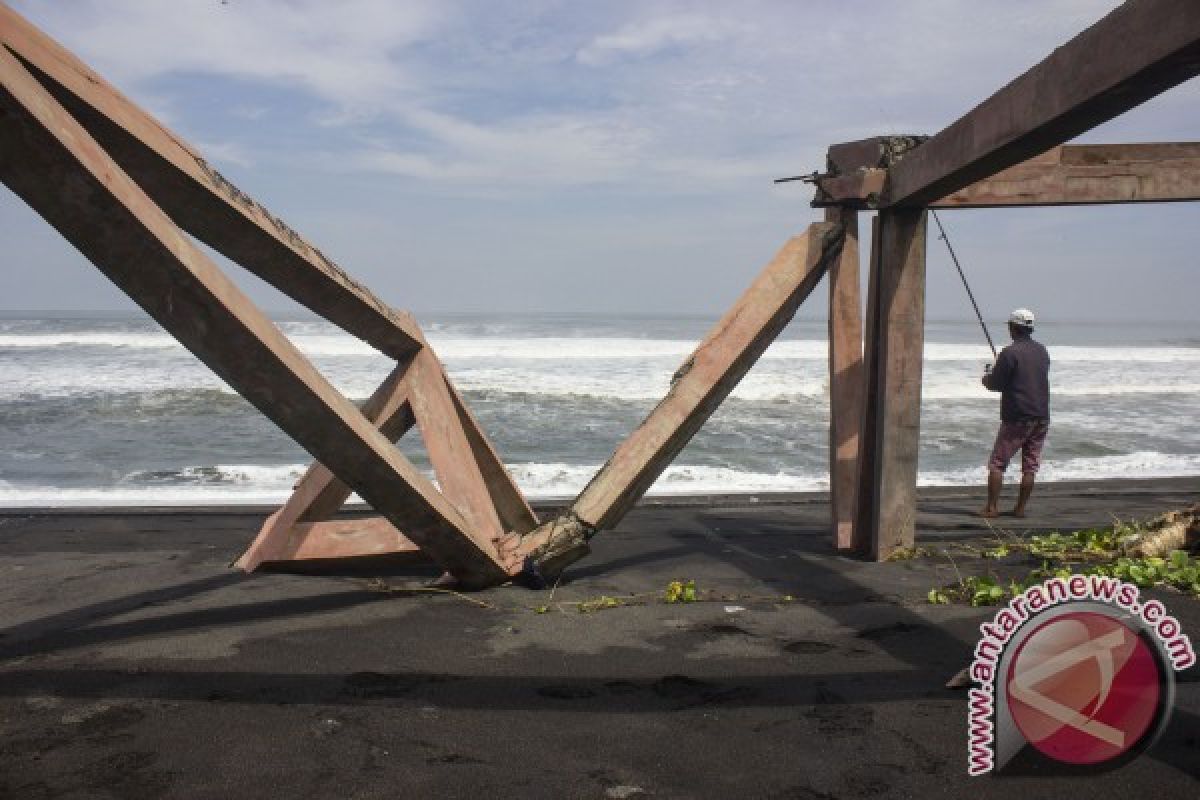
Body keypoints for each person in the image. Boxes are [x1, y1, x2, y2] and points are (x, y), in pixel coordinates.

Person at [979, 308, 1050, 518]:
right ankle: (1020, 509)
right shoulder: (1042, 351)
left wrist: (987, 377)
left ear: (1013, 328)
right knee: (1030, 465)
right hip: (1041, 415)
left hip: (1018, 416)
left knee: (997, 463)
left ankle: (992, 508)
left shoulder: (1009, 353)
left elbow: (996, 384)